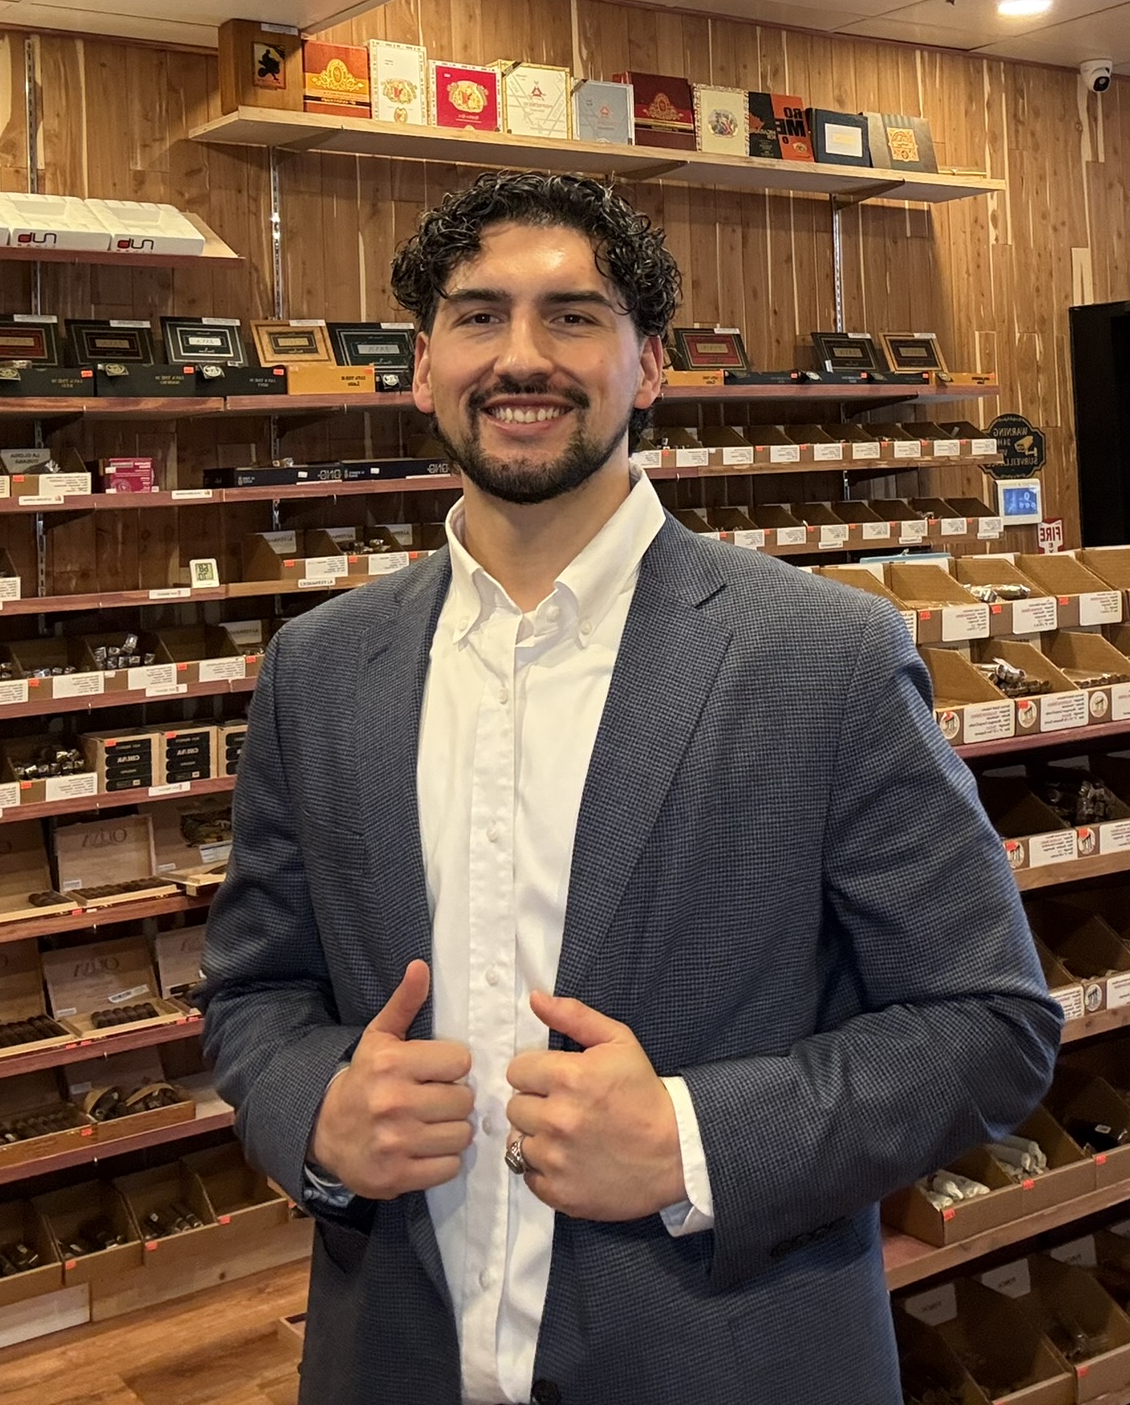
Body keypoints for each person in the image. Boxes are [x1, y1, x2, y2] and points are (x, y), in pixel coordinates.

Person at [199, 169, 1059, 1405]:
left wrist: (692, 1137)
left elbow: (991, 1023)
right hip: (390, 1360)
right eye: (480, 314)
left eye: (577, 315)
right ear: (423, 364)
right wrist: (317, 1110)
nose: (524, 356)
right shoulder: (319, 670)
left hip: (731, 1359)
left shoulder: (823, 656)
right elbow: (257, 993)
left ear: (649, 365)